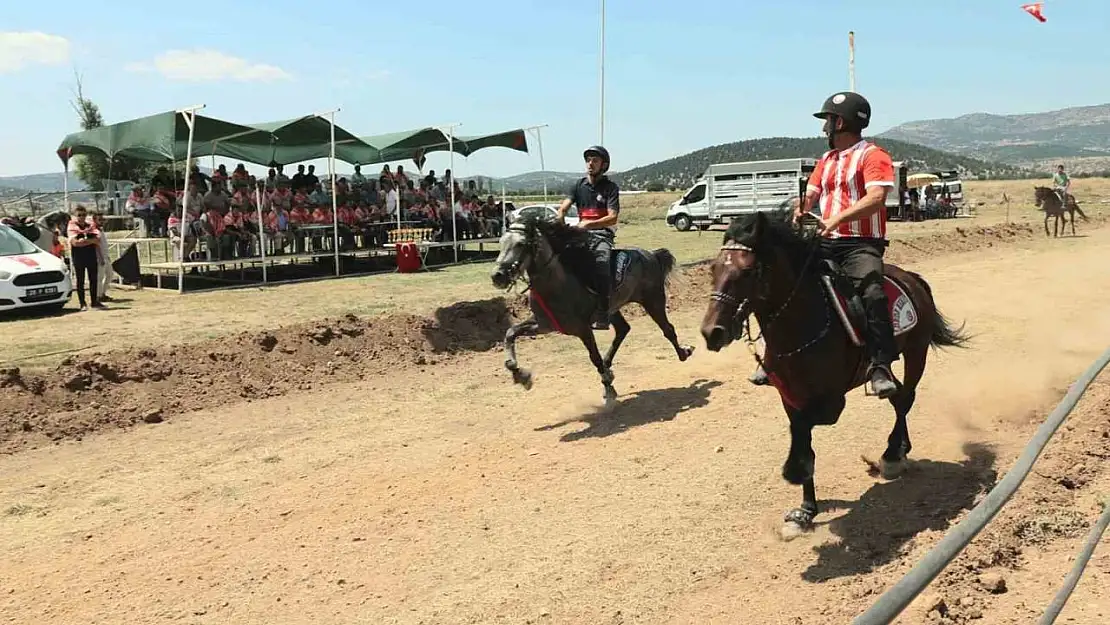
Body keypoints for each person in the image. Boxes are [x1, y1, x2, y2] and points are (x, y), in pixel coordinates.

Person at [748, 91, 899, 399]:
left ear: (839, 122)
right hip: (825, 241)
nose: (823, 128)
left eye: (827, 121)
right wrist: (801, 207)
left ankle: (881, 364)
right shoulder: (826, 161)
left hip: (860, 244)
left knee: (871, 292)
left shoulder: (873, 155)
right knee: (784, 284)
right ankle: (773, 356)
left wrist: (836, 219)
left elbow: (876, 198)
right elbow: (812, 195)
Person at [557, 145, 620, 330]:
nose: (590, 163)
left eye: (595, 160)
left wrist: (588, 224)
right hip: (580, 234)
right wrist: (560, 215)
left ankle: (603, 313)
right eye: (588, 160)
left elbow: (613, 217)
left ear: (604, 165)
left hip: (602, 234)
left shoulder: (610, 188)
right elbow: (564, 206)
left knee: (601, 264)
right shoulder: (578, 185)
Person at [66, 204, 105, 311]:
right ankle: (82, 303)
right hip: (78, 257)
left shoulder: (90, 226)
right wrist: (89, 241)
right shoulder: (72, 227)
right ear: (75, 216)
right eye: (79, 215)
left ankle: (94, 302)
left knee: (94, 279)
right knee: (80, 281)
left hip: (91, 256)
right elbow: (75, 243)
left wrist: (84, 241)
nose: (82, 217)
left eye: (84, 215)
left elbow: (97, 240)